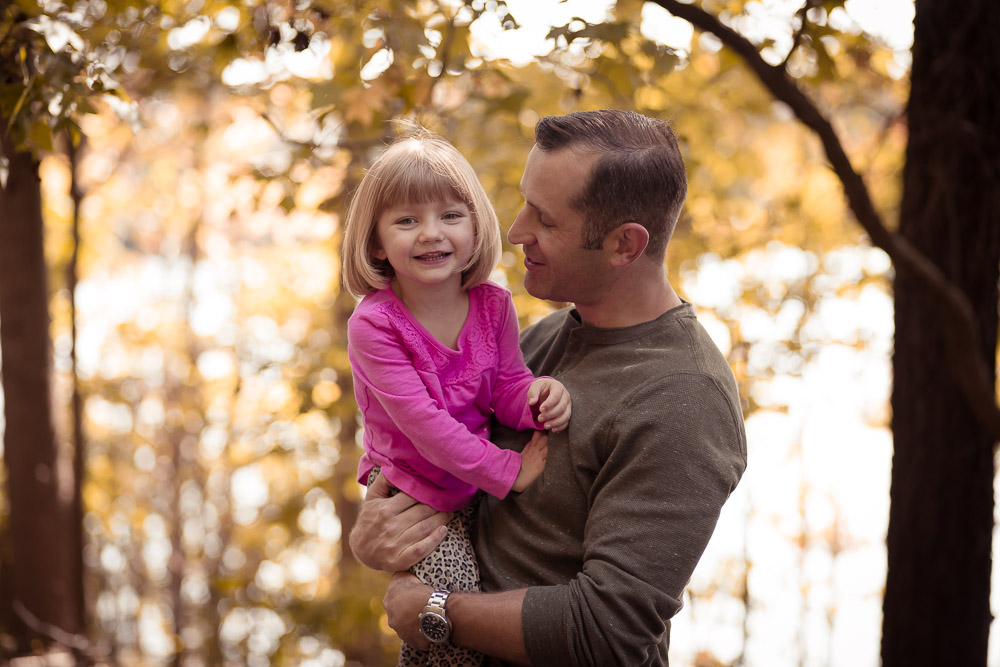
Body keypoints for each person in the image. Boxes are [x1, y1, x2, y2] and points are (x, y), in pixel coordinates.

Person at [349, 110, 747, 666]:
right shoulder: (540, 339)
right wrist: (376, 539)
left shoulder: (684, 401)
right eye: (522, 203)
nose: (514, 232)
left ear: (624, 245)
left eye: (545, 219)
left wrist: (438, 611)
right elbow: (439, 470)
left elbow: (607, 631)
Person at [341, 128, 573, 667]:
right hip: (414, 493)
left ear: (474, 226)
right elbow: (425, 426)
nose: (431, 234)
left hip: (471, 485)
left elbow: (506, 387)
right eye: (406, 220)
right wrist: (509, 470)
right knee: (446, 626)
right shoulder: (375, 326)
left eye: (450, 215)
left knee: (494, 609)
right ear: (376, 242)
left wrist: (540, 395)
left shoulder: (492, 303)